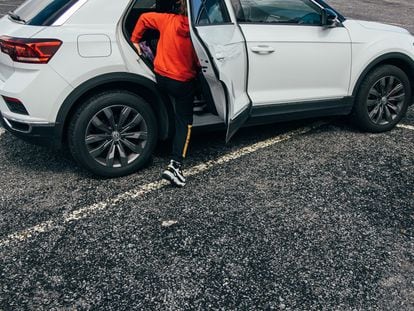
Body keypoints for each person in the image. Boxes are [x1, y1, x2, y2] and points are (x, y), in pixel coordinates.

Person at [130, 0, 199, 187]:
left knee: (171, 107)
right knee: (184, 121)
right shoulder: (197, 32)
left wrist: (135, 40)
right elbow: (200, 63)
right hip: (182, 82)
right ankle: (175, 165)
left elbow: (144, 18)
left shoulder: (167, 20)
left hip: (161, 77)